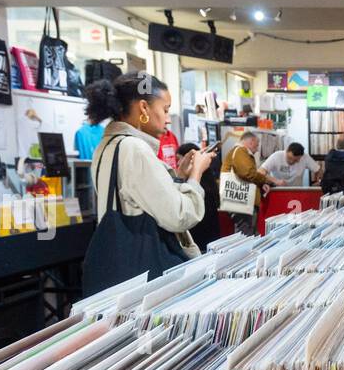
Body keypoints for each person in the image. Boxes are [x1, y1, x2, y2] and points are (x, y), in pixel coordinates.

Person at [82, 73, 214, 293]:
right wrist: (196, 175)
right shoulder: (135, 149)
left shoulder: (107, 147)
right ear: (143, 108)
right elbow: (179, 216)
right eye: (165, 109)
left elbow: (137, 201)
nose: (169, 119)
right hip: (146, 274)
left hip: (120, 268)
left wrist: (179, 178)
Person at [223, 130, 279, 235]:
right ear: (251, 141)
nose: (257, 150)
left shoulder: (236, 152)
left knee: (247, 233)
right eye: (257, 145)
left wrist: (261, 184)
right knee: (246, 235)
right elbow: (248, 173)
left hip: (239, 200)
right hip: (242, 201)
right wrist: (265, 180)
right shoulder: (241, 151)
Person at [177, 141, 222, 251]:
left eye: (180, 158)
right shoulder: (207, 182)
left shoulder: (197, 187)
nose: (178, 163)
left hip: (200, 242)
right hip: (209, 241)